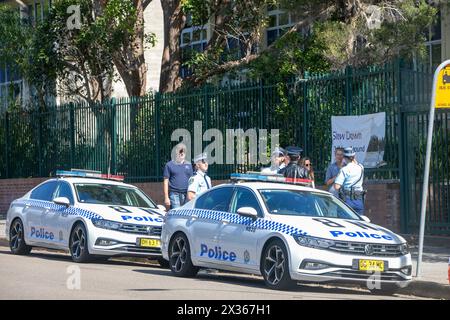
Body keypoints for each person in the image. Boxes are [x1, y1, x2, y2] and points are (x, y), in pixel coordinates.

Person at [334, 147, 366, 215]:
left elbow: (336, 186)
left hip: (347, 199)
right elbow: (356, 162)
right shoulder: (361, 167)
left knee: (345, 222)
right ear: (354, 157)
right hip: (359, 199)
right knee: (359, 223)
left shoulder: (344, 169)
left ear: (344, 158)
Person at [163, 143, 193, 209]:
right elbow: (165, 182)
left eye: (184, 151)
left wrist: (191, 194)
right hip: (174, 194)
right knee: (176, 213)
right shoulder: (169, 165)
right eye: (180, 151)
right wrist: (166, 197)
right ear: (176, 152)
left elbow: (191, 181)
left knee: (186, 214)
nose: (182, 153)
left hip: (186, 194)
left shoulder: (189, 165)